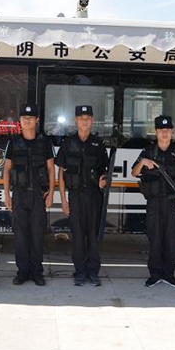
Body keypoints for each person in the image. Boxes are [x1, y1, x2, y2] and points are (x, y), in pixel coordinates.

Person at [132, 115, 175, 288]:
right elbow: (134, 173)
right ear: (156, 131)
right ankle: (155, 274)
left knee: (171, 238)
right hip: (154, 202)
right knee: (155, 237)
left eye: (168, 130)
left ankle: (169, 274)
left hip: (171, 202)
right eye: (161, 130)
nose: (165, 133)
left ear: (172, 132)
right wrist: (143, 162)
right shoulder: (148, 151)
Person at [56, 105, 110, 287]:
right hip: (76, 196)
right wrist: (63, 200)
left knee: (93, 236)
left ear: (92, 120)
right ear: (76, 120)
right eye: (81, 118)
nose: (84, 121)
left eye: (87, 118)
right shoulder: (67, 143)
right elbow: (60, 173)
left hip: (94, 196)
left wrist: (103, 181)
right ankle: (80, 272)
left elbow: (105, 171)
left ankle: (93, 272)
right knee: (78, 236)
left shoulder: (98, 144)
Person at [3, 103, 55, 287]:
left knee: (37, 236)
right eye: (24, 118)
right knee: (21, 237)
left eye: (30, 118)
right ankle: (22, 272)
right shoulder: (13, 142)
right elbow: (7, 170)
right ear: (20, 120)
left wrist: (51, 194)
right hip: (19, 195)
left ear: (36, 120)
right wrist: (6, 195)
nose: (27, 121)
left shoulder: (45, 142)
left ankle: (37, 273)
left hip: (39, 196)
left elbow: (51, 170)